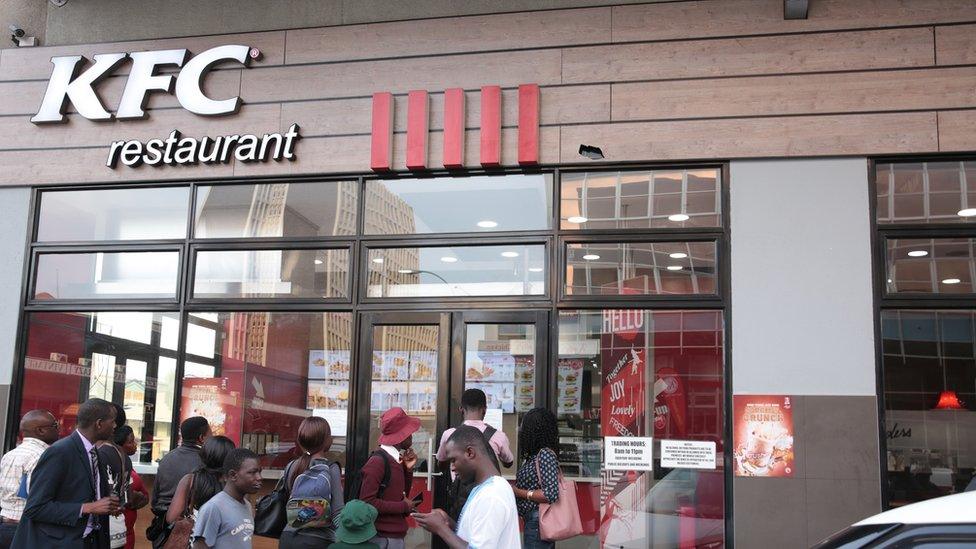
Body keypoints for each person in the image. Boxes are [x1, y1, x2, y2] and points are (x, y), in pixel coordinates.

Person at [12, 398, 121, 549]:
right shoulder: (60, 452)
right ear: (99, 424)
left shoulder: (94, 452)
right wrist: (86, 508)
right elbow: (35, 508)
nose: (115, 426)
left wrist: (107, 505)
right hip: (60, 542)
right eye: (113, 421)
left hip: (89, 540)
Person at [412, 426, 520, 549]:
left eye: (453, 460)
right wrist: (449, 523)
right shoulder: (484, 489)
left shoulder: (492, 495)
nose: (452, 467)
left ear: (470, 453)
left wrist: (441, 529)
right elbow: (474, 535)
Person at [436, 389, 513, 520]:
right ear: (485, 409)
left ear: (461, 409)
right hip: (489, 497)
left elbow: (441, 465)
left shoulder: (449, 435)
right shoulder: (498, 436)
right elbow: (508, 463)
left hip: (460, 499)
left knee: (460, 533)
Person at [359, 407, 419, 549]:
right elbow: (367, 502)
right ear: (401, 436)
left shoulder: (396, 459)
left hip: (393, 534)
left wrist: (408, 469)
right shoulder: (378, 462)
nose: (412, 435)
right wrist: (404, 506)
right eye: (408, 431)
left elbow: (400, 495)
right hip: (382, 537)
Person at [280, 416, 345, 548]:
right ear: (326, 440)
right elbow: (338, 511)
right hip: (318, 540)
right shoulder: (331, 468)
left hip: (288, 537)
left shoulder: (291, 466)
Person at [0, 409, 59, 548]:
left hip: (5, 525)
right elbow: (39, 498)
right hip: (27, 529)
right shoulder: (43, 456)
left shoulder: (10, 454)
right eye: (55, 425)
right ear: (40, 430)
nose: (59, 429)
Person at [149, 416, 210, 547]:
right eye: (210, 435)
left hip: (162, 529)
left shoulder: (167, 458)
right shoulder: (205, 463)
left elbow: (154, 500)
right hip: (187, 531)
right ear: (201, 438)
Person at [191, 448, 262, 549]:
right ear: (233, 475)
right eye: (252, 472)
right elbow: (200, 546)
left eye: (259, 472)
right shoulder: (213, 508)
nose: (259, 477)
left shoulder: (248, 506)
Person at [512, 408, 561, 549]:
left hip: (538, 522)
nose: (520, 431)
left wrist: (518, 492)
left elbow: (550, 493)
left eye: (524, 427)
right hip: (533, 521)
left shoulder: (545, 454)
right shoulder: (535, 456)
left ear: (533, 431)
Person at [165, 436, 236, 525]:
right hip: (225, 537)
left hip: (196, 536)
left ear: (204, 453)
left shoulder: (190, 480)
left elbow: (172, 518)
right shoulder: (236, 483)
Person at [115, 427, 148, 549]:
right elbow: (128, 497)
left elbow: (144, 497)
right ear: (119, 445)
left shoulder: (127, 463)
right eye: (130, 442)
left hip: (128, 531)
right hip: (119, 532)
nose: (135, 445)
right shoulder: (119, 467)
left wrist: (141, 497)